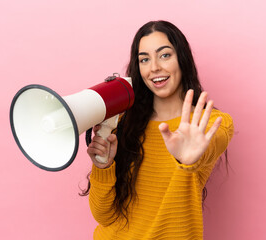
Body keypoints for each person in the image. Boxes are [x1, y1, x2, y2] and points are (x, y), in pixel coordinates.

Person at [85, 20, 234, 239]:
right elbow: (103, 216)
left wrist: (189, 160)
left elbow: (212, 143)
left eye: (164, 55)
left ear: (182, 59)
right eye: (144, 59)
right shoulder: (123, 123)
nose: (154, 67)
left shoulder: (211, 123)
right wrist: (103, 165)